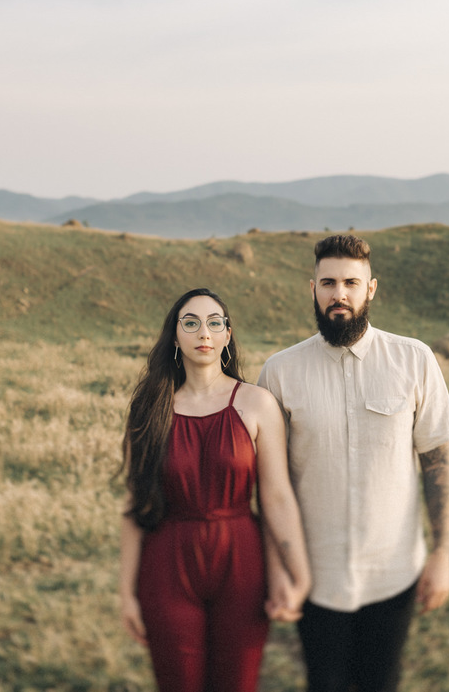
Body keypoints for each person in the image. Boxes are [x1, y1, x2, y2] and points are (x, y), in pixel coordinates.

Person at [257, 234, 449, 692]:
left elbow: (437, 462)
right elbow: (269, 485)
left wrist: (443, 553)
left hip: (393, 574)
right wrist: (277, 569)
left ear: (371, 289)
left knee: (381, 683)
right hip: (315, 575)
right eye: (328, 283)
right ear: (313, 288)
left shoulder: (414, 360)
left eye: (352, 282)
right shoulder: (279, 372)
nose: (339, 294)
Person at [119, 288, 312, 692]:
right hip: (167, 562)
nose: (203, 332)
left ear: (227, 335)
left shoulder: (257, 404)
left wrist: (298, 574)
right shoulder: (151, 407)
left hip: (242, 561)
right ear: (175, 337)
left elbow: (275, 496)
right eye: (190, 323)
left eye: (214, 322)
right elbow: (136, 502)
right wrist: (126, 592)